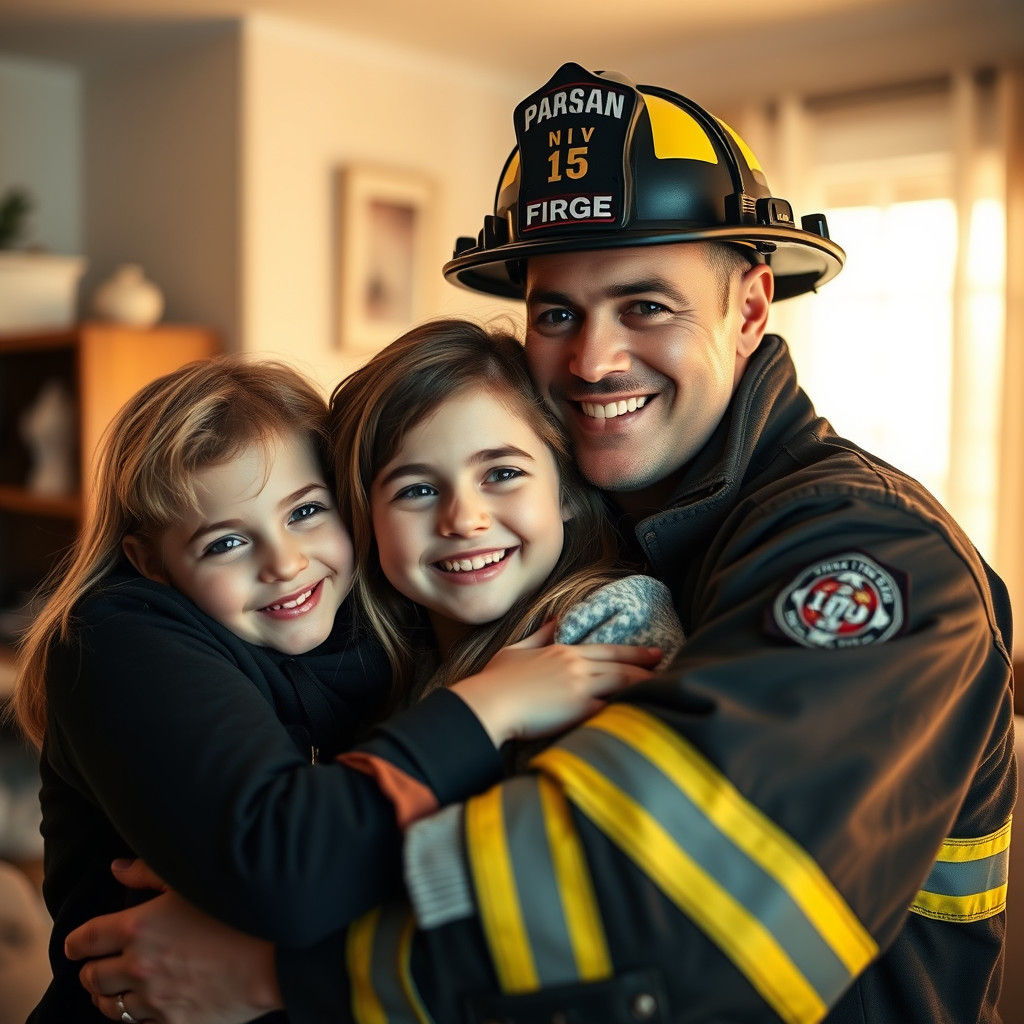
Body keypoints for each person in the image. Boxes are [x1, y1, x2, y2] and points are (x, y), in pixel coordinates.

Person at [67, 61, 1014, 1024]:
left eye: (646, 305)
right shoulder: (638, 540)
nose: (593, 359)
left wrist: (282, 968)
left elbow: (678, 903)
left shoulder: (863, 549)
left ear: (752, 308)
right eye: (558, 313)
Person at [14, 353, 661, 1023]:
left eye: (305, 513)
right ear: (149, 560)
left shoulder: (396, 631)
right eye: (227, 543)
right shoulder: (121, 639)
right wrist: (487, 706)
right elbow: (288, 869)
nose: (286, 564)